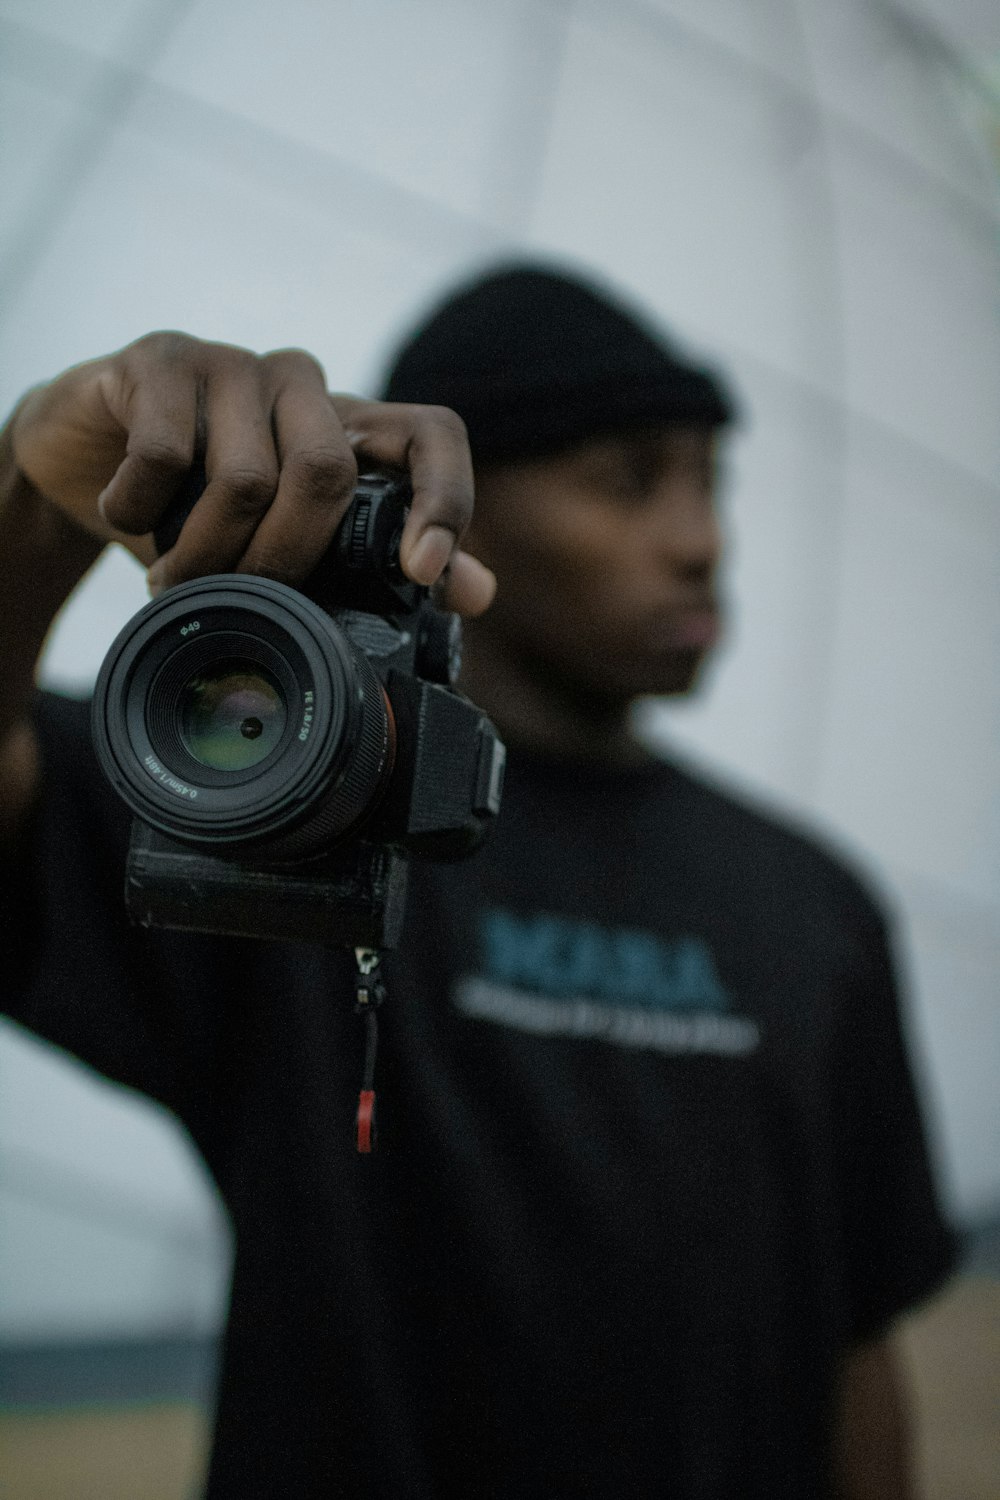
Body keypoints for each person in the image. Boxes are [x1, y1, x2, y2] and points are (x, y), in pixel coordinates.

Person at [0, 264, 954, 1499]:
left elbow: (855, 1339)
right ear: (452, 512)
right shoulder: (256, 813)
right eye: (627, 481)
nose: (699, 540)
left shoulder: (814, 901)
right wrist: (32, 497)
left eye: (708, 482)